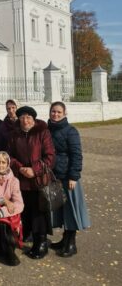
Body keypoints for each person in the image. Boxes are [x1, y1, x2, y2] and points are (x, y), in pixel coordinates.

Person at [8, 106, 55, 259]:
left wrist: (34, 170)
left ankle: (41, 242)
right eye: (22, 117)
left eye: (28, 117)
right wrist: (21, 168)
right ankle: (27, 236)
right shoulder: (14, 135)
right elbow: (9, 156)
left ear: (34, 119)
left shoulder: (42, 132)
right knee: (25, 210)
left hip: (38, 181)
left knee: (39, 212)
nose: (25, 120)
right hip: (21, 180)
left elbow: (50, 157)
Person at [48, 101, 91, 257]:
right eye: (53, 111)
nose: (56, 114)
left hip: (68, 177)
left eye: (59, 112)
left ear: (65, 113)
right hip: (54, 176)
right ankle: (64, 239)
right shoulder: (47, 130)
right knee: (61, 209)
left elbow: (76, 155)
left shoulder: (70, 131)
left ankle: (71, 244)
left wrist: (73, 176)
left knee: (71, 210)